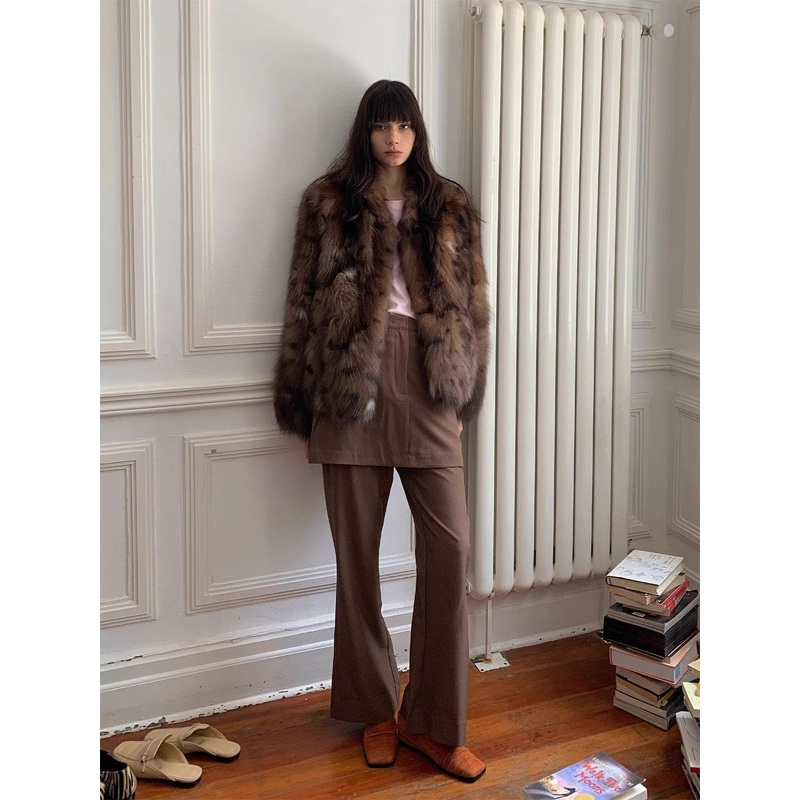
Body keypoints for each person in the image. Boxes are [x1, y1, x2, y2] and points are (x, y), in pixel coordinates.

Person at [273, 79, 490, 783]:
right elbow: (302, 302)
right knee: (357, 561)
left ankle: (434, 722)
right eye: (381, 125)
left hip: (428, 381)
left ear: (417, 132)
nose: (393, 138)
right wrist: (299, 397)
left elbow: (474, 306)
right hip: (350, 386)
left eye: (403, 125)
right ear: (364, 132)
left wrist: (465, 383)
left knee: (450, 551)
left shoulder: (450, 204)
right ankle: (374, 709)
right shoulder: (327, 203)